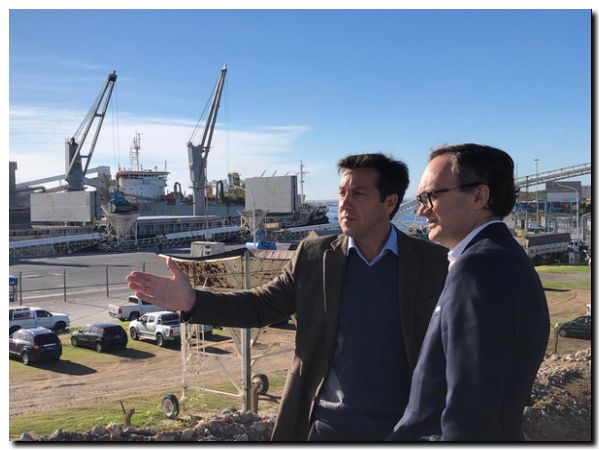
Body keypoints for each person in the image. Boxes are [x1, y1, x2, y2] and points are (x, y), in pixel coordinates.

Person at [126, 153, 449, 441]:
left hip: (405, 429)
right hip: (326, 426)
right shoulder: (314, 256)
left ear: (390, 203)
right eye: (342, 193)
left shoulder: (434, 263)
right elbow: (261, 305)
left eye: (358, 194)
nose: (344, 203)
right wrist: (193, 302)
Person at [388, 144, 550, 441]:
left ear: (479, 196)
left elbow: (471, 408)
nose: (422, 210)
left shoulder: (477, 269)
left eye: (431, 196)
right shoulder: (507, 258)